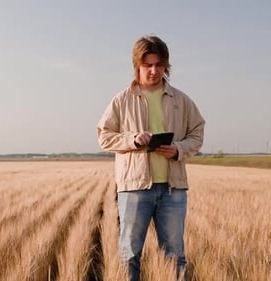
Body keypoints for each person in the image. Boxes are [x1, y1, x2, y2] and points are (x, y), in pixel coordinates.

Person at [97, 35, 205, 281]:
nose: (154, 70)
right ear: (137, 65)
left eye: (159, 64)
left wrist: (178, 149)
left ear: (166, 66)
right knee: (129, 254)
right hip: (135, 188)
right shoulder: (121, 100)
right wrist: (133, 139)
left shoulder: (181, 100)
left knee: (175, 255)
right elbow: (104, 136)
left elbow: (197, 133)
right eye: (148, 65)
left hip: (173, 189)